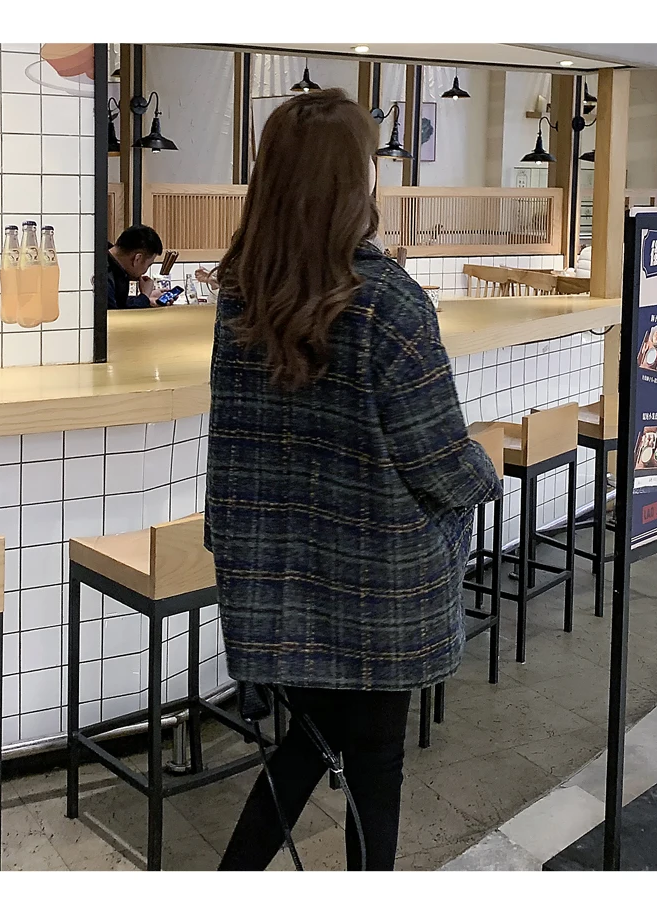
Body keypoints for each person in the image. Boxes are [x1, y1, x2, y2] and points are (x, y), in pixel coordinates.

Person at [205, 89, 501, 872]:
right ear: (356, 180)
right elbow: (438, 459)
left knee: (309, 744)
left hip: (280, 580)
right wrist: (488, 475)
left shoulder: (242, 297)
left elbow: (233, 447)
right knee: (373, 765)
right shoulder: (391, 303)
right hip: (380, 587)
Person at [107, 225, 164, 309]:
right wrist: (144, 296)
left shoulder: (108, 262)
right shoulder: (104, 275)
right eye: (148, 265)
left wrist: (147, 298)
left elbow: (119, 303)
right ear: (137, 259)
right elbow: (115, 313)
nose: (145, 271)